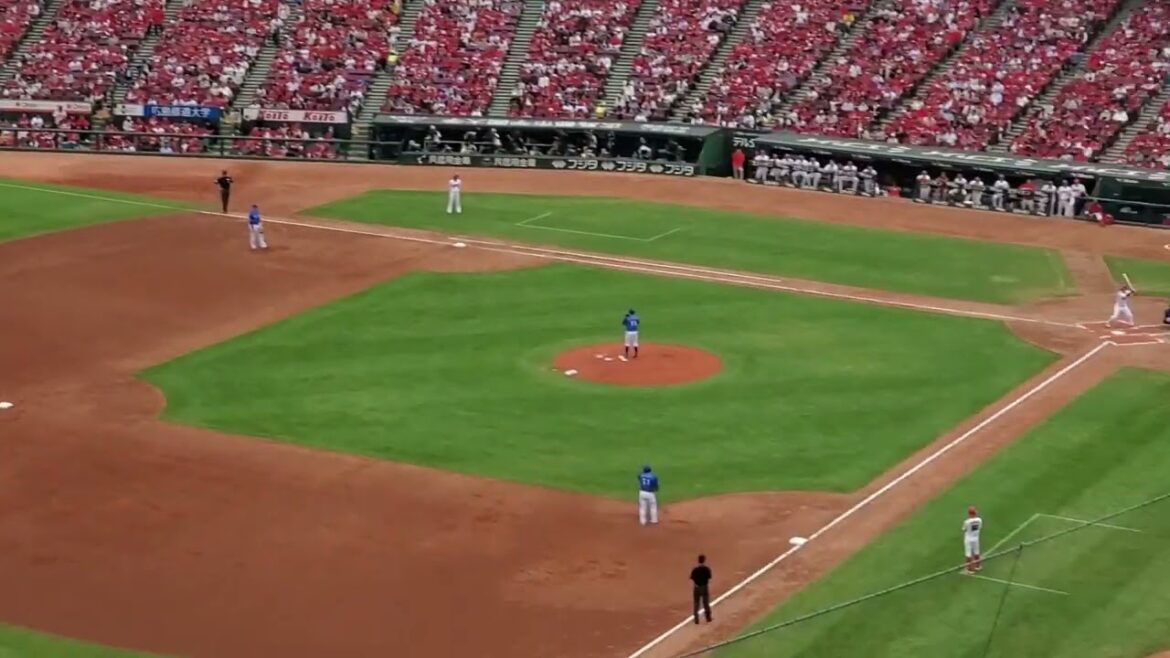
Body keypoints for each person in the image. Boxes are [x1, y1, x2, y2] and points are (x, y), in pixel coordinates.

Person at [690, 555, 713, 624]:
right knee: (705, 603)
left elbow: (692, 578)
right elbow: (709, 577)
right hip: (704, 587)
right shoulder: (706, 569)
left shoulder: (695, 569)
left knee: (696, 603)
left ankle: (696, 620)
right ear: (704, 560)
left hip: (696, 587)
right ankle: (708, 618)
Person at [962, 506, 982, 574]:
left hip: (968, 539)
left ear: (969, 513)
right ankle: (978, 566)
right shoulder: (979, 520)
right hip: (976, 538)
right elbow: (979, 527)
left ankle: (969, 569)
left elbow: (964, 529)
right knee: (977, 552)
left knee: (968, 554)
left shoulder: (967, 522)